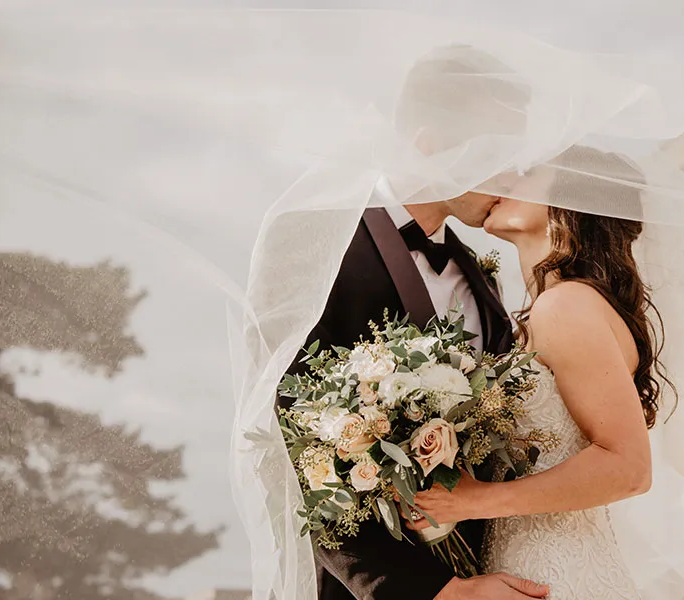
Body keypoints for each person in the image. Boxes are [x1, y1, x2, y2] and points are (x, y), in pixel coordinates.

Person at [282, 45, 548, 600]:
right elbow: (294, 447)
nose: (515, 173)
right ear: (430, 144)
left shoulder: (482, 280)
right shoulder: (318, 246)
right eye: (499, 151)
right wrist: (437, 592)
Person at [407, 148, 664, 598]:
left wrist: (472, 501)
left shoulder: (566, 306)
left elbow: (630, 467)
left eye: (526, 174)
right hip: (528, 566)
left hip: (557, 574)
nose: (503, 178)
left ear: (566, 203)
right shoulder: (551, 308)